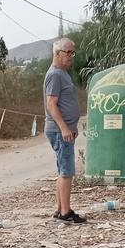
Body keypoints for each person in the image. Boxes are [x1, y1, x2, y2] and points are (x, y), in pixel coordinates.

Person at [43, 37, 85, 223]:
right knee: (67, 171)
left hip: (65, 129)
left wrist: (70, 127)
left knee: (63, 168)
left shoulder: (62, 73)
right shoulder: (54, 75)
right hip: (60, 130)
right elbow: (51, 104)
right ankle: (66, 213)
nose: (71, 56)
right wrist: (64, 128)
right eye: (68, 53)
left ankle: (60, 208)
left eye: (72, 53)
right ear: (57, 53)